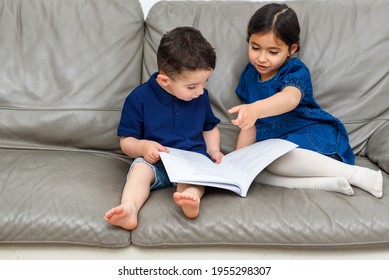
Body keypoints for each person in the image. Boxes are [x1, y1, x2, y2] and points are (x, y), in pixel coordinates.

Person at [228, 3, 383, 198]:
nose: (262, 58)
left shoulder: (294, 70)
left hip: (308, 135)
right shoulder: (249, 76)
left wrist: (257, 109)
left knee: (277, 158)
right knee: (254, 171)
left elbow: (290, 98)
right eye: (255, 47)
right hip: (274, 146)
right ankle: (323, 183)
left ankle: (355, 174)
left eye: (273, 52)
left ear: (291, 49)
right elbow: (248, 124)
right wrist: (236, 161)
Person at [105, 27, 223, 230]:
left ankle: (191, 199)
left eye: (205, 83)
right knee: (139, 171)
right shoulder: (139, 98)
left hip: (190, 160)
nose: (201, 91)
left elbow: (209, 127)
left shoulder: (200, 95)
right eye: (192, 86)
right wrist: (143, 147)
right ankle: (130, 208)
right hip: (157, 162)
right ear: (164, 81)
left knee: (195, 180)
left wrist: (214, 150)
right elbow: (126, 142)